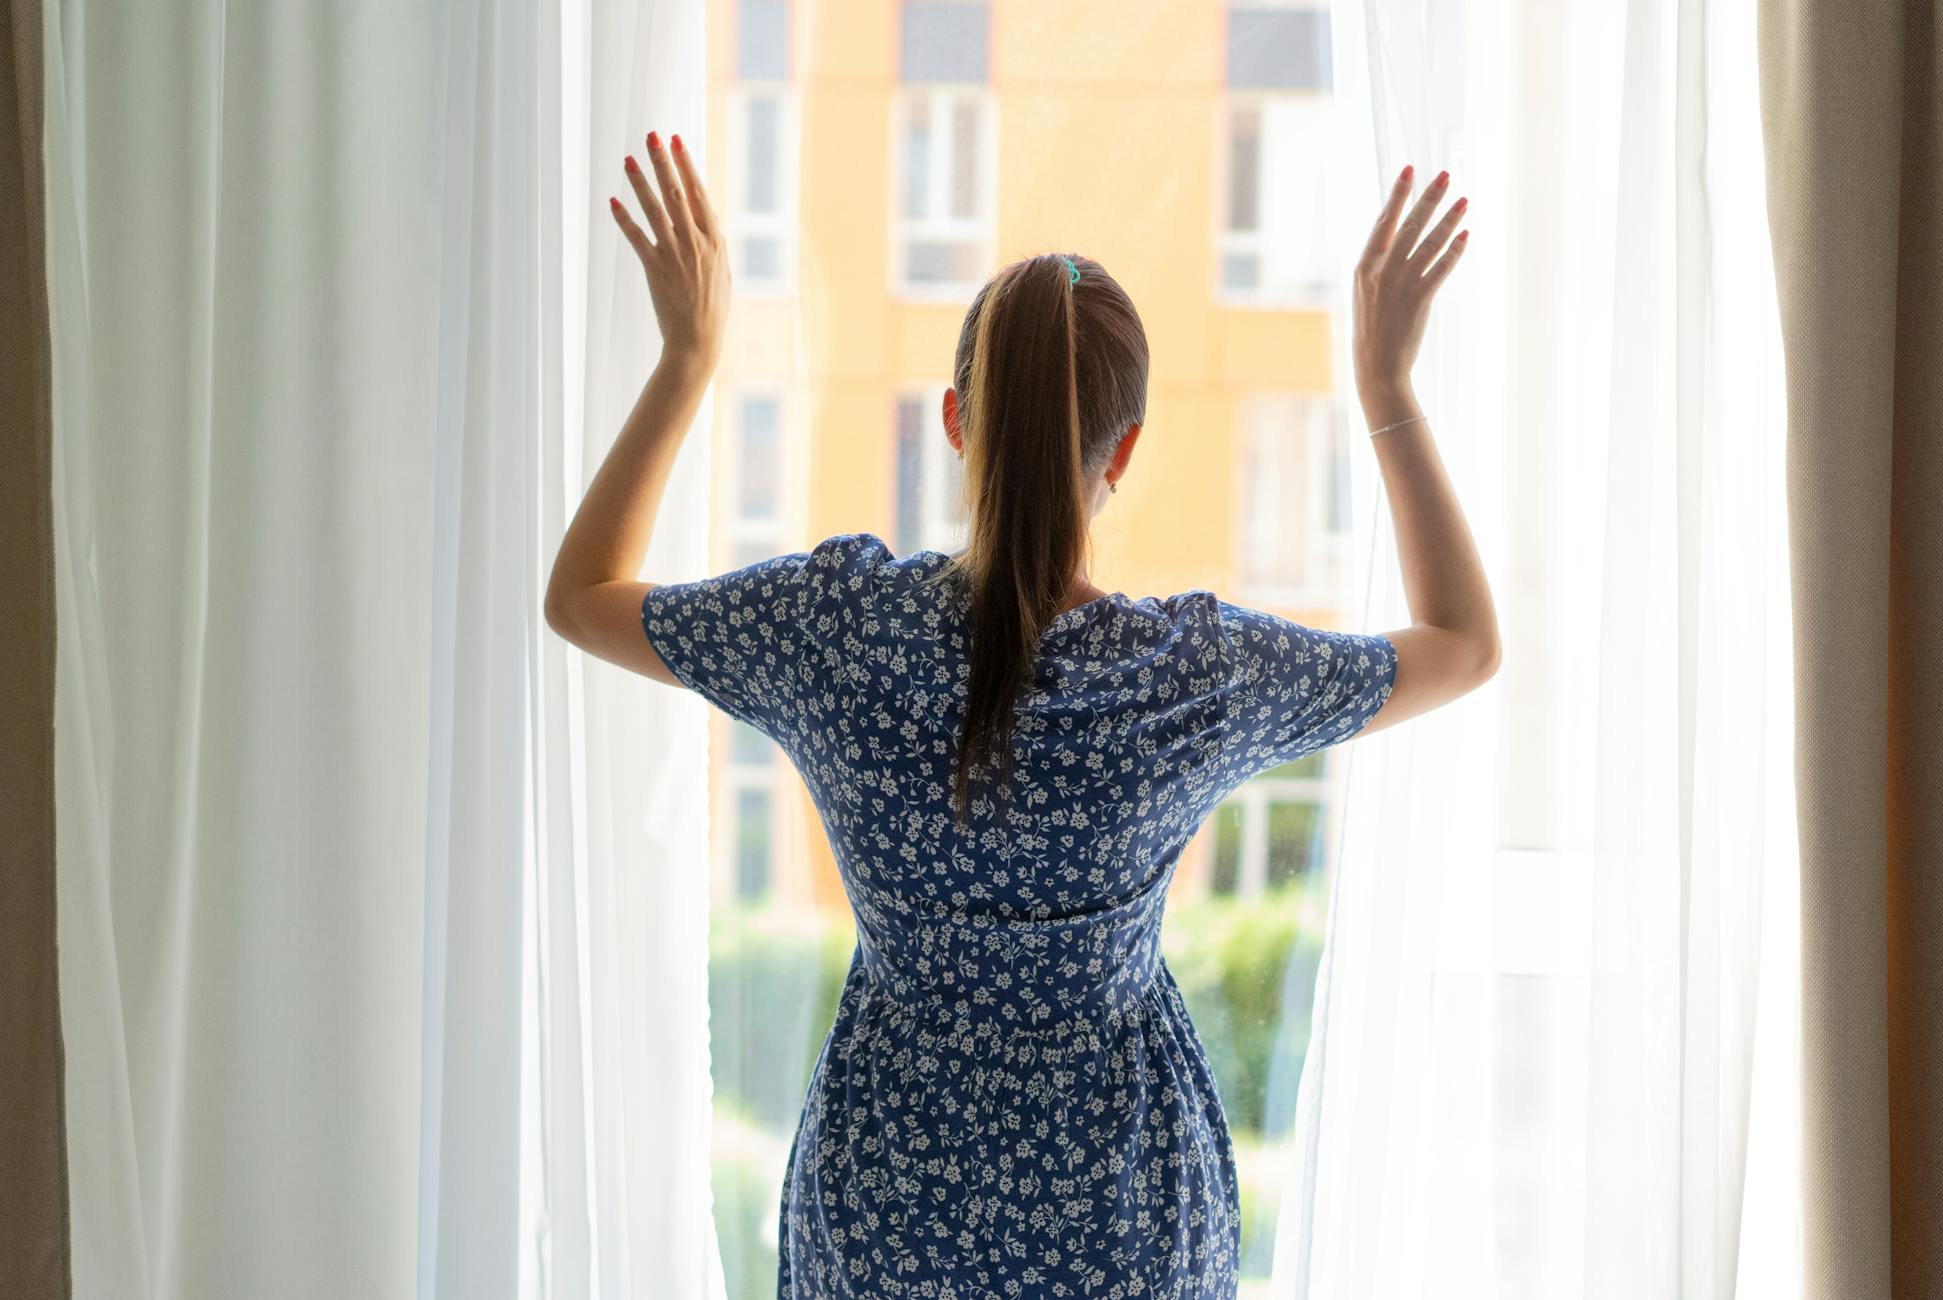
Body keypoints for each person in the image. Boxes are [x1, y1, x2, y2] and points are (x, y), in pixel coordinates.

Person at [545, 131, 1498, 1298]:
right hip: (1124, 1221)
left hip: (886, 1209)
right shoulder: (1185, 677)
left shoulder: (837, 630)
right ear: (1125, 450)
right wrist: (1389, 387)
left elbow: (582, 596)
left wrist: (687, 358)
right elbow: (1462, 643)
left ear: (955, 419)